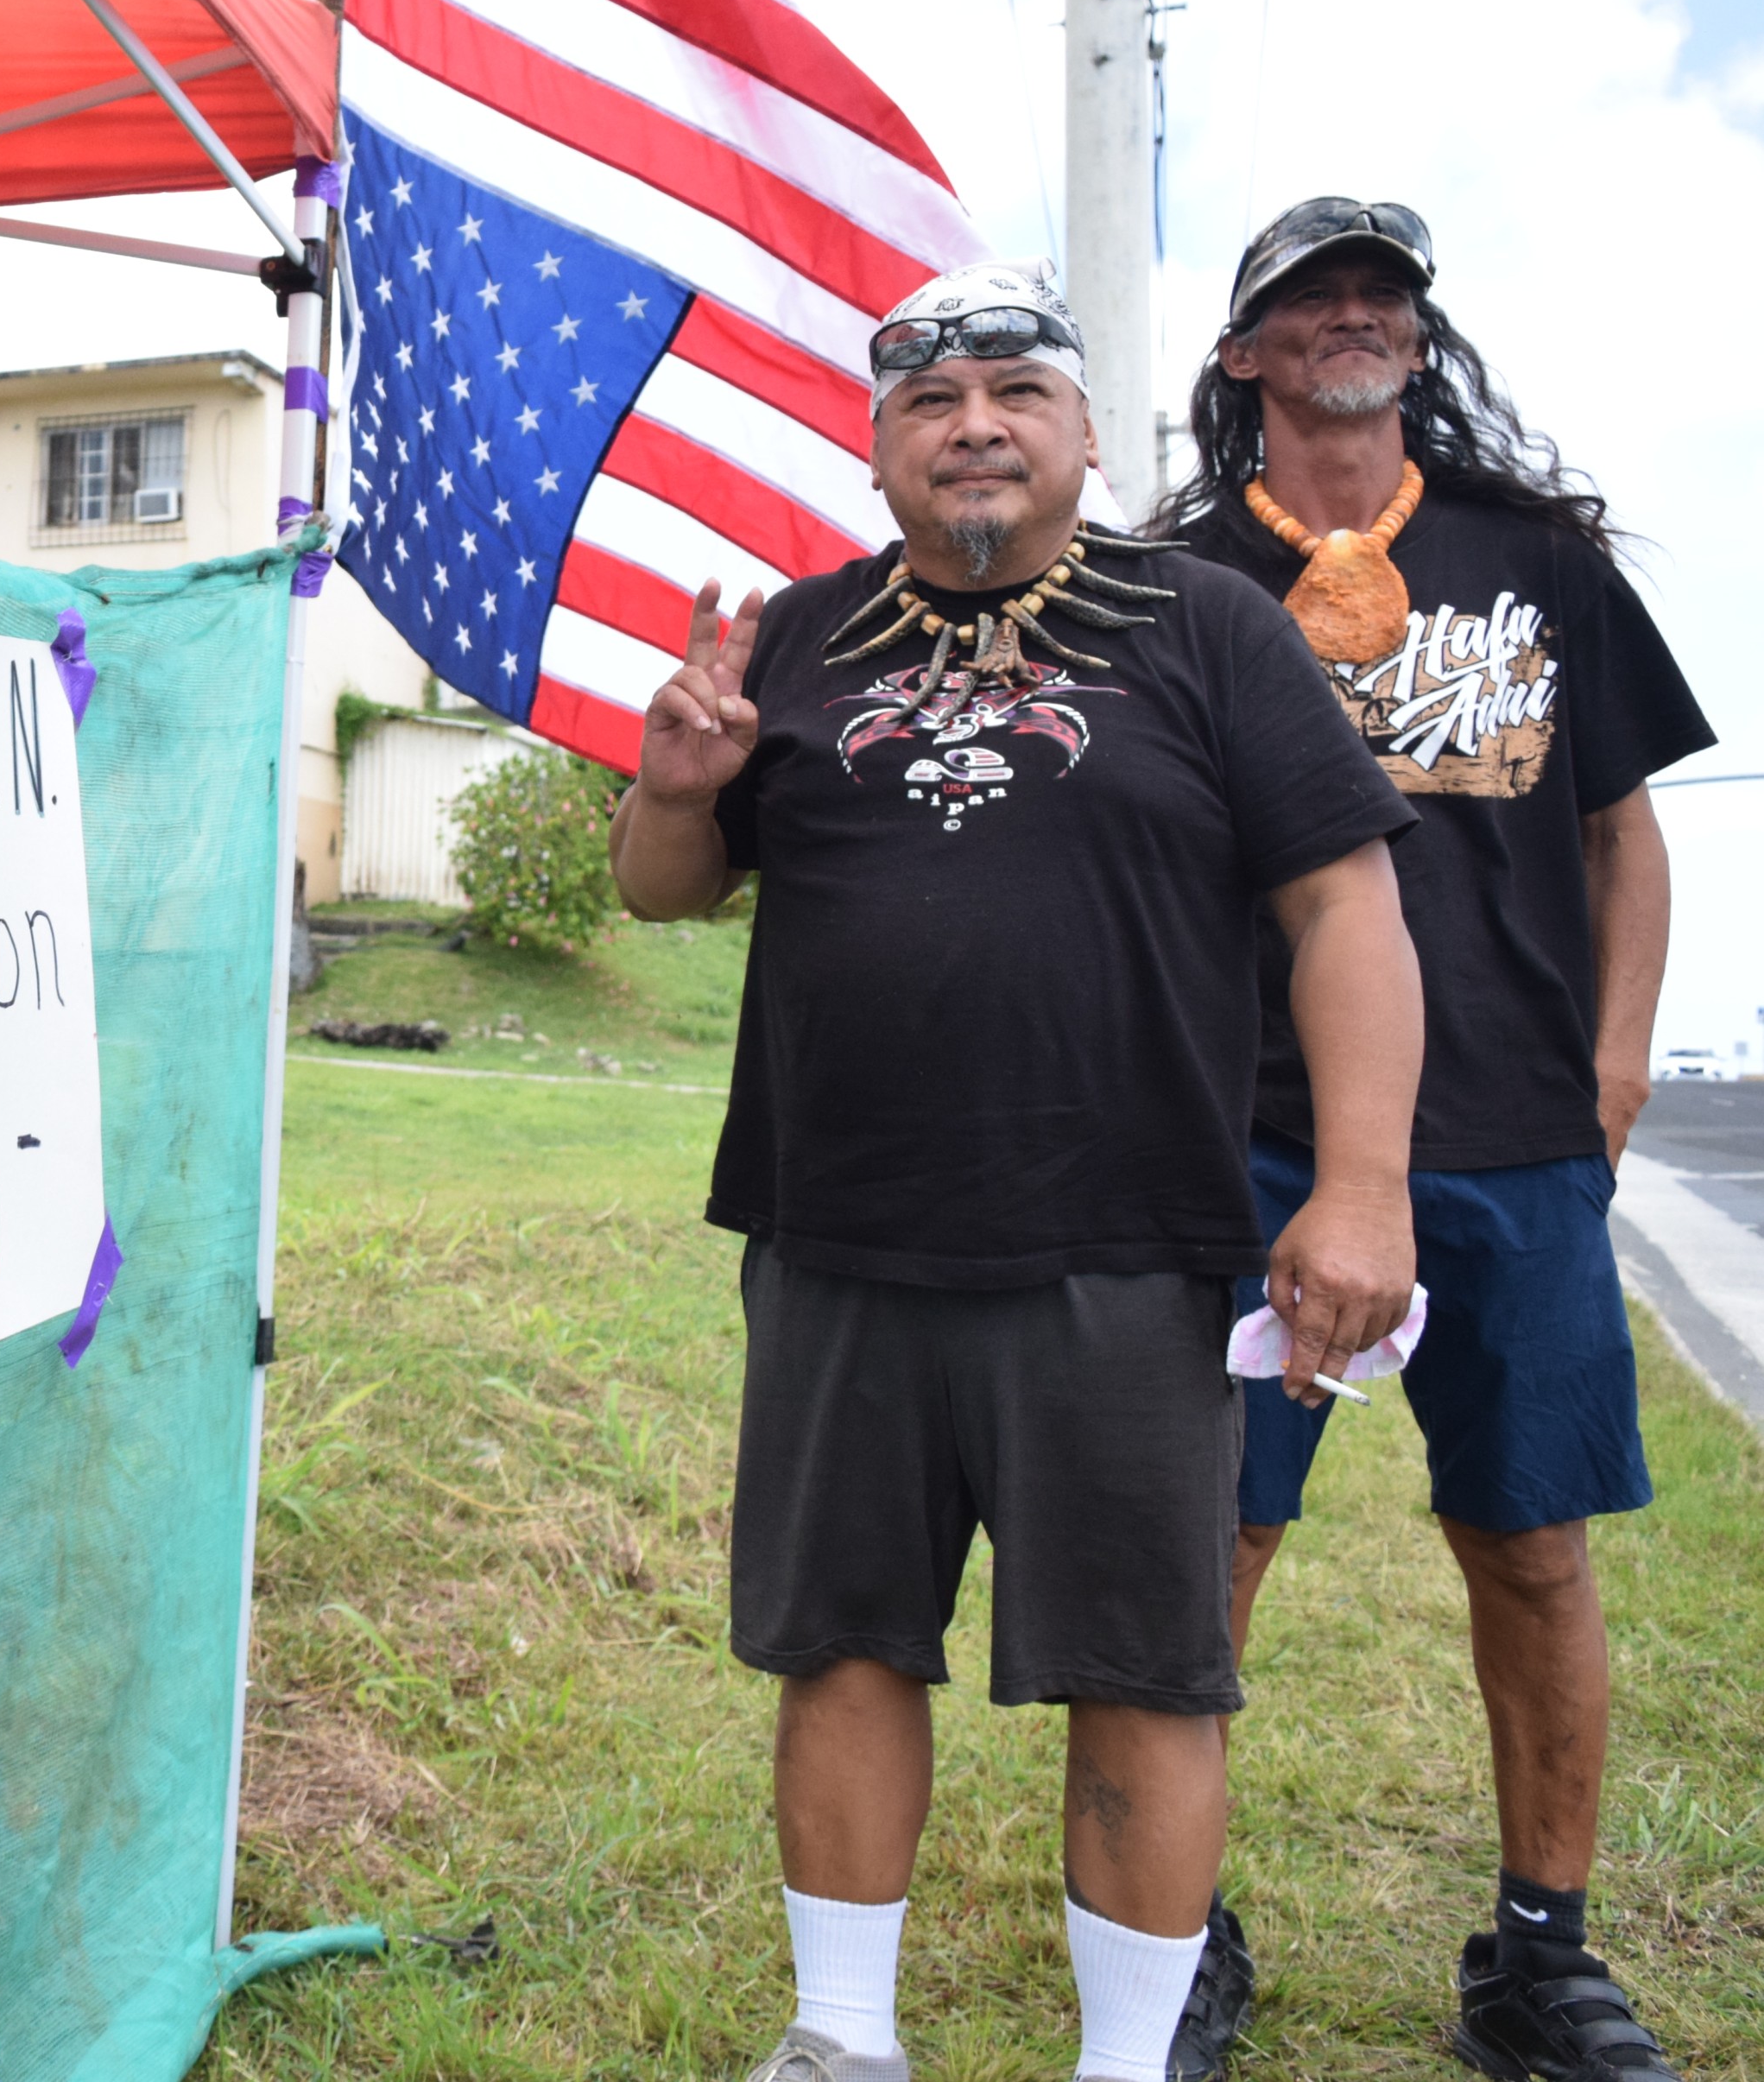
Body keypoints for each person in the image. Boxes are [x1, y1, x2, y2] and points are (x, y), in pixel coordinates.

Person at [609, 260, 1426, 2082]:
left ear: (1079, 432)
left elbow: (1342, 900)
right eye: (929, 398)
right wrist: (675, 787)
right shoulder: (800, 638)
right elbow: (668, 891)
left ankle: (1126, 2060)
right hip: (836, 1239)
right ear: (880, 443)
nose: (972, 422)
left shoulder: (1209, 626)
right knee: (842, 1638)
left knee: (1149, 1665)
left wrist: (1362, 1181)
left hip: (1125, 1245)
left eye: (1014, 391)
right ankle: (839, 2035)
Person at [1163, 199, 1714, 2082]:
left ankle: (1540, 1961)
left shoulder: (1534, 557)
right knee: (1206, 1548)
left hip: (1516, 1143)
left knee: (1536, 1549)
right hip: (1239, 1137)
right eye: (1305, 302)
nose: (1348, 321)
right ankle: (1172, 1937)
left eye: (1379, 296)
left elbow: (1624, 830)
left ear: (1420, 335)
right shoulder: (1172, 577)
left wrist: (1617, 1070)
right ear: (1244, 357)